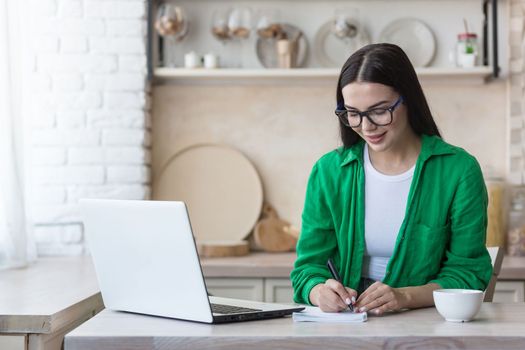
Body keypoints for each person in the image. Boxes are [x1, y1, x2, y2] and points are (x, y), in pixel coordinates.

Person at [290, 43, 492, 315]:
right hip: (347, 320)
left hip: (423, 316)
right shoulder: (329, 171)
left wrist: (405, 297)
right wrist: (318, 291)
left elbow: (468, 273)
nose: (366, 126)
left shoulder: (458, 170)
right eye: (353, 113)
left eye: (379, 110)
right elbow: (307, 268)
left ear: (407, 99)